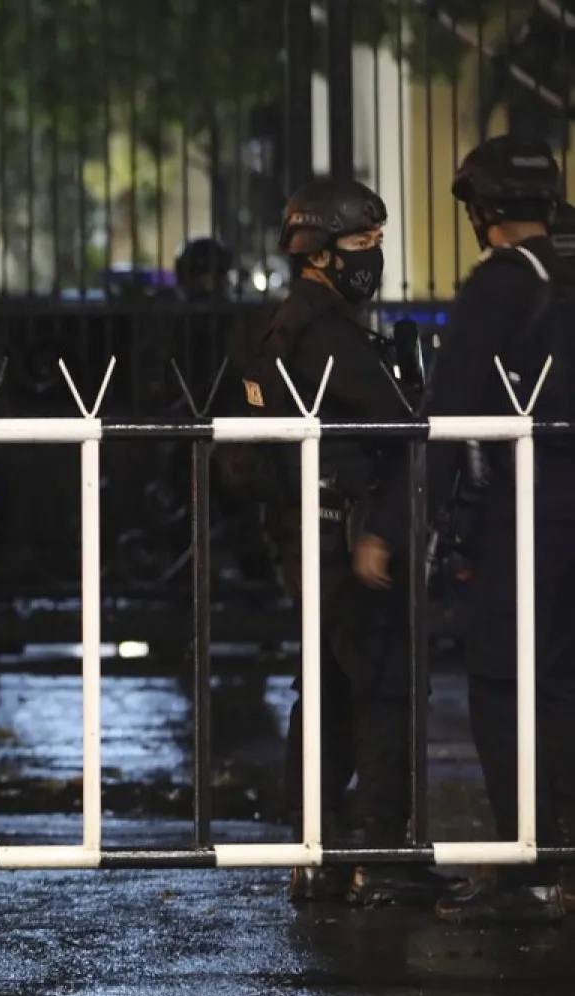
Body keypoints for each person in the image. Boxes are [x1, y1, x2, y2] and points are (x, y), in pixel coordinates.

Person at [355, 136, 575, 924]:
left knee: (507, 678)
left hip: (530, 512)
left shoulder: (499, 287)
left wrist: (393, 525)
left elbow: (446, 415)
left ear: (481, 211)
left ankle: (536, 858)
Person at [237, 178, 448, 908]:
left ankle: (316, 848)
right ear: (320, 252)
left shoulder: (292, 321)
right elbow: (395, 423)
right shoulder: (323, 331)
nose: (375, 256)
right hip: (349, 533)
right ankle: (384, 855)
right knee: (384, 686)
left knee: (325, 690)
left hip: (315, 533)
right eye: (363, 244)